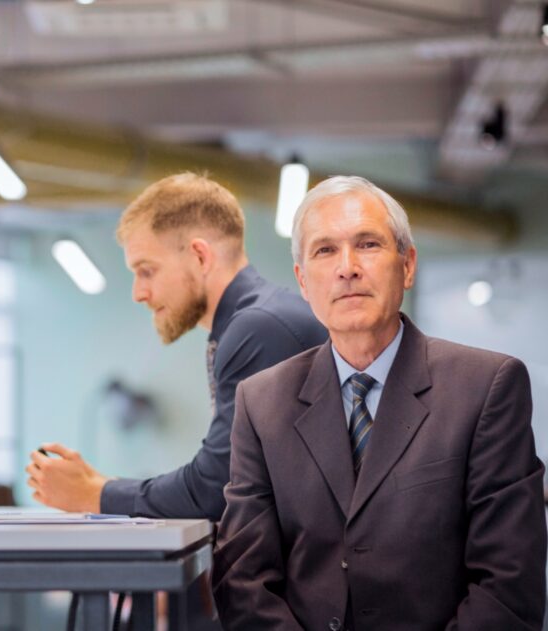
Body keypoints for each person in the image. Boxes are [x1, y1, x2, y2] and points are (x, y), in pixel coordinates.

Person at [212, 175, 547, 630]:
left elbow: (508, 584)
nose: (346, 267)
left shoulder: (488, 388)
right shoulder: (261, 401)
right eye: (324, 251)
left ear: (407, 266)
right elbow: (243, 580)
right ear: (303, 282)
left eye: (367, 244)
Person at [26, 173, 326, 521]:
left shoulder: (258, 329)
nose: (138, 293)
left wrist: (94, 494)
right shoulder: (250, 323)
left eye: (147, 271)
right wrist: (98, 485)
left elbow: (217, 489)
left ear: (200, 256)